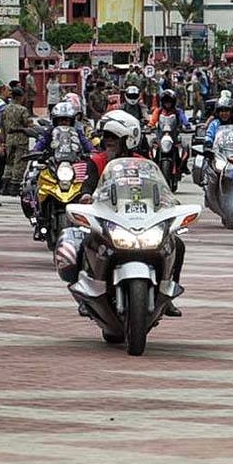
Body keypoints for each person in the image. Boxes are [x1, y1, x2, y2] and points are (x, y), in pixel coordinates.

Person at [78, 110, 183, 317]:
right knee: (83, 241)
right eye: (106, 136)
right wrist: (86, 196)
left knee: (176, 244)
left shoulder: (144, 163)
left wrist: (170, 201)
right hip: (107, 218)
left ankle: (167, 294)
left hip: (141, 219)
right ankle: (85, 295)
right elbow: (87, 185)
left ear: (129, 139)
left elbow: (160, 188)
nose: (108, 141)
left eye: (114, 137)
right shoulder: (97, 161)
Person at [1, 85, 31, 196]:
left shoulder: (5, 109)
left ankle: (5, 186)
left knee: (9, 162)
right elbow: (27, 123)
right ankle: (15, 186)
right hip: (21, 138)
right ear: (19, 97)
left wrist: (3, 140)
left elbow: (2, 125)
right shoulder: (22, 109)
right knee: (20, 162)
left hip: (9, 138)